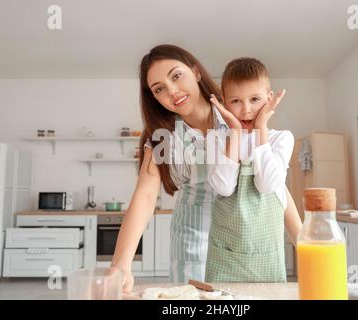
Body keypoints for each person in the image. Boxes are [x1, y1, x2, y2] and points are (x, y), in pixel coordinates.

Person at [111, 44, 302, 292]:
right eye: (159, 89)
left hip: (245, 236)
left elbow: (275, 185)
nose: (172, 91)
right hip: (192, 241)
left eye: (176, 76)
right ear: (154, 97)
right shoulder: (163, 136)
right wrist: (121, 264)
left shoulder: (238, 111)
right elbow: (145, 196)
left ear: (196, 72)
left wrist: (304, 243)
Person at [205, 57, 296, 282]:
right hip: (224, 257)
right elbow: (224, 188)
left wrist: (260, 129)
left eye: (255, 99)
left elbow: (267, 185)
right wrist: (235, 133)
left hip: (267, 257)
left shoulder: (281, 139)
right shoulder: (216, 139)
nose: (246, 110)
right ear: (224, 103)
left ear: (269, 98)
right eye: (236, 101)